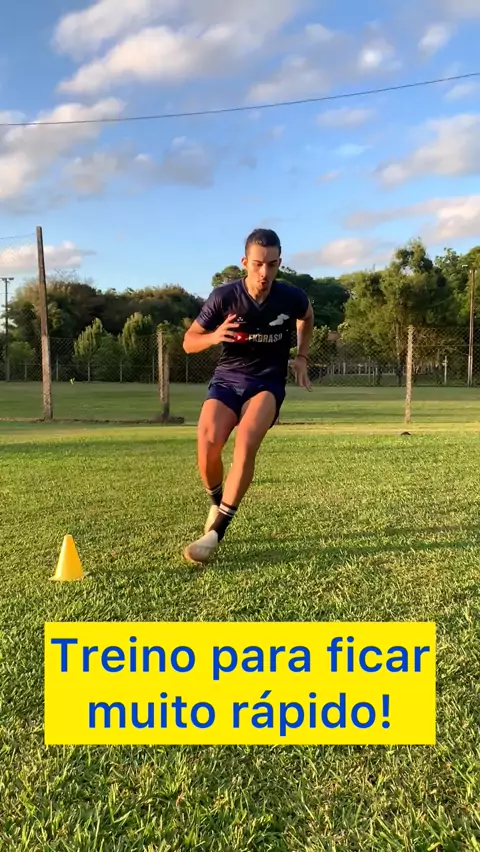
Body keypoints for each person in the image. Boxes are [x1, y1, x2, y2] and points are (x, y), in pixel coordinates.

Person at [182, 228, 314, 564]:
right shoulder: (224, 297)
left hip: (267, 382)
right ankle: (216, 503)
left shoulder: (291, 297)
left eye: (272, 264)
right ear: (245, 262)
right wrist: (213, 337)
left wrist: (301, 357)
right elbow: (189, 341)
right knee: (208, 444)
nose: (264, 272)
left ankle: (216, 533)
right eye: (257, 264)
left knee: (245, 441)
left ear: (279, 263)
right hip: (228, 379)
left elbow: (307, 316)